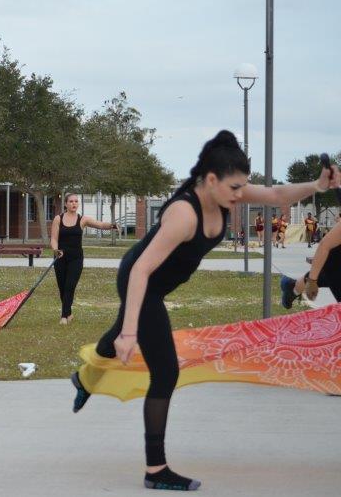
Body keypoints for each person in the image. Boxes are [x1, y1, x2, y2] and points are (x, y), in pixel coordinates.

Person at [68, 130, 339, 491]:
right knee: (164, 371)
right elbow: (141, 271)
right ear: (211, 180)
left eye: (242, 187)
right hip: (142, 283)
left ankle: (83, 379)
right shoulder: (183, 214)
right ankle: (155, 470)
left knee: (117, 334)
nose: (240, 195)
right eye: (235, 188)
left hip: (155, 283)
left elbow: (276, 195)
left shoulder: (226, 191)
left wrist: (317, 185)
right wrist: (131, 332)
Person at [50, 193, 118, 325]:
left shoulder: (82, 220)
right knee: (62, 287)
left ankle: (64, 316)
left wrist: (112, 225)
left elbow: (100, 224)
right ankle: (69, 313)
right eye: (71, 201)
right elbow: (53, 238)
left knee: (70, 286)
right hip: (60, 257)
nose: (74, 204)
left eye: (76, 201)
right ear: (65, 204)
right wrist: (55, 249)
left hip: (76, 259)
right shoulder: (58, 219)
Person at [282, 217, 341, 305]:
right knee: (324, 276)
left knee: (322, 277)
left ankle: (292, 287)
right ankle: (292, 288)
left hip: (333, 264)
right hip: (334, 261)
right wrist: (312, 280)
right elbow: (324, 245)